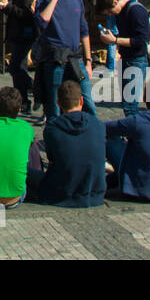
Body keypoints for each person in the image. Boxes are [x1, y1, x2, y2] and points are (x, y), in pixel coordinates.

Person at [33, 0, 94, 122]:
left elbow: (84, 31)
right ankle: (55, 139)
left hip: (75, 58)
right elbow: (42, 21)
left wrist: (88, 61)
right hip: (55, 59)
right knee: (53, 104)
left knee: (87, 100)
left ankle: (92, 133)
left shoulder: (77, 0)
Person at [33, 80, 106, 208]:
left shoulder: (52, 129)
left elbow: (52, 159)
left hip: (61, 193)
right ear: (82, 101)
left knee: (26, 171)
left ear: (58, 103)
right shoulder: (98, 124)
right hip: (94, 193)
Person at [96, 0, 150, 115]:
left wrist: (115, 40)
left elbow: (141, 40)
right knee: (127, 103)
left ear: (115, 2)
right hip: (125, 58)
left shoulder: (136, 10)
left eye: (110, 11)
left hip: (137, 60)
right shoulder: (120, 12)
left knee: (130, 104)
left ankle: (135, 133)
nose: (110, 15)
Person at [0, 0, 38, 116]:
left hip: (24, 35)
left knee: (17, 67)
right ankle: (24, 100)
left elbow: (27, 14)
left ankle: (36, 89)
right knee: (17, 68)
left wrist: (7, 7)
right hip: (18, 34)